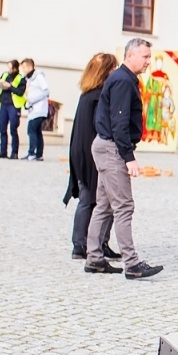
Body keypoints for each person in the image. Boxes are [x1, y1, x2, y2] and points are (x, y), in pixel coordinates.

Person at [85, 38, 163, 279]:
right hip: (112, 149)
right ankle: (132, 264)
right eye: (145, 56)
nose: (149, 61)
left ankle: (95, 258)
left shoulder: (124, 79)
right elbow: (119, 123)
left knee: (105, 206)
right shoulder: (122, 81)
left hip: (106, 146)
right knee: (123, 206)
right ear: (130, 56)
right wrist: (128, 157)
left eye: (150, 57)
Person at [64, 52, 120, 261]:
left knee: (90, 198)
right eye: (113, 67)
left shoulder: (87, 94)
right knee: (100, 199)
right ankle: (91, 243)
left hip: (81, 149)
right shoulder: (99, 95)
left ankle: (81, 244)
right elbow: (102, 126)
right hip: (93, 150)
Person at [0, 60, 26, 159]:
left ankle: (14, 153)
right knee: (2, 128)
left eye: (10, 68)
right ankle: (3, 151)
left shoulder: (21, 78)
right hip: (3, 104)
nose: (9, 70)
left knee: (13, 129)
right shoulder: (5, 75)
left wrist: (9, 86)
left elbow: (20, 92)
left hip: (13, 106)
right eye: (8, 67)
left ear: (15, 68)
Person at [21, 57, 51, 161]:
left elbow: (46, 91)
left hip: (39, 109)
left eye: (24, 67)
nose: (23, 70)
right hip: (33, 109)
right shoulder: (29, 79)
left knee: (31, 130)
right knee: (37, 132)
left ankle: (32, 153)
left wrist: (32, 100)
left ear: (30, 66)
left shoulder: (38, 77)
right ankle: (39, 154)